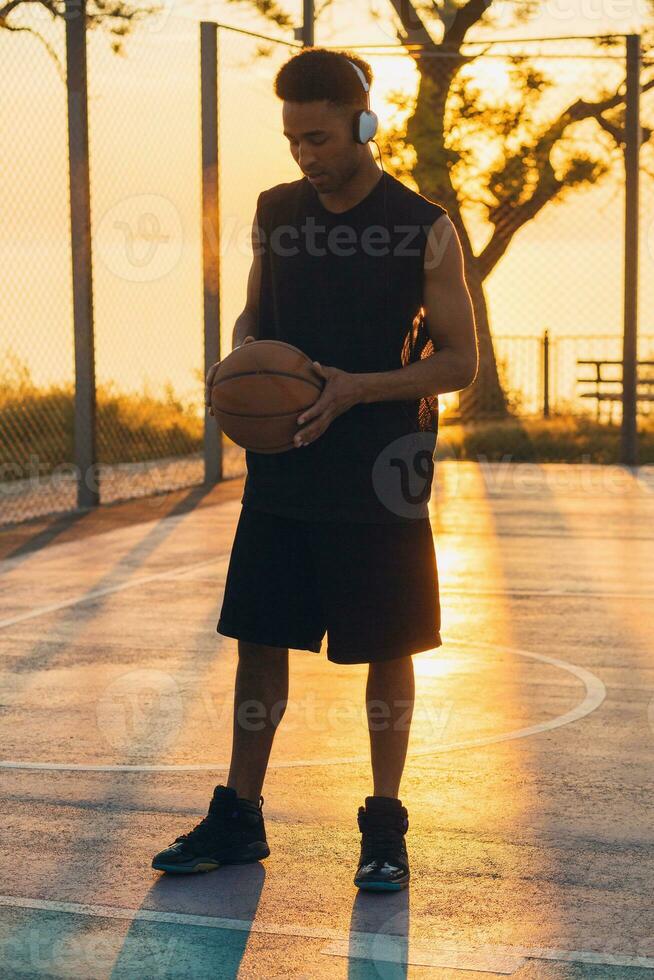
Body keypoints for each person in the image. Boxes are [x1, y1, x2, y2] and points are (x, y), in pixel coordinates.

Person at [152, 47, 478, 891]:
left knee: (388, 651)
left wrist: (356, 389)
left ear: (363, 126)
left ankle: (383, 828)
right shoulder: (275, 212)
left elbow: (460, 362)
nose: (306, 154)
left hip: (381, 473)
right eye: (294, 138)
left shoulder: (423, 225)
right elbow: (253, 318)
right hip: (285, 470)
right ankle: (239, 817)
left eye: (321, 137)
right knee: (259, 643)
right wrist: (237, 374)